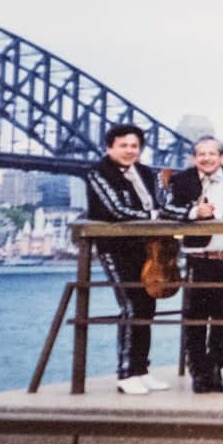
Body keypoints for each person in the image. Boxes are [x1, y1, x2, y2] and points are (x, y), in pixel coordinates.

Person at [162, 136, 223, 394]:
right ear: (194, 158)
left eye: (212, 154)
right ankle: (199, 372)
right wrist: (194, 213)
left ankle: (216, 368)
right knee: (196, 319)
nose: (206, 158)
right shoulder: (181, 180)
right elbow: (166, 209)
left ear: (222, 157)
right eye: (201, 154)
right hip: (199, 260)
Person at [84, 124, 167, 396]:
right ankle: (126, 373)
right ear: (110, 148)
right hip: (116, 249)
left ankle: (141, 370)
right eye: (123, 145)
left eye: (134, 146)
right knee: (132, 306)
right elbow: (116, 210)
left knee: (147, 307)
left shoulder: (147, 173)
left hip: (147, 250)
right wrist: (156, 216)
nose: (130, 150)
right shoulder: (98, 173)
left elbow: (160, 203)